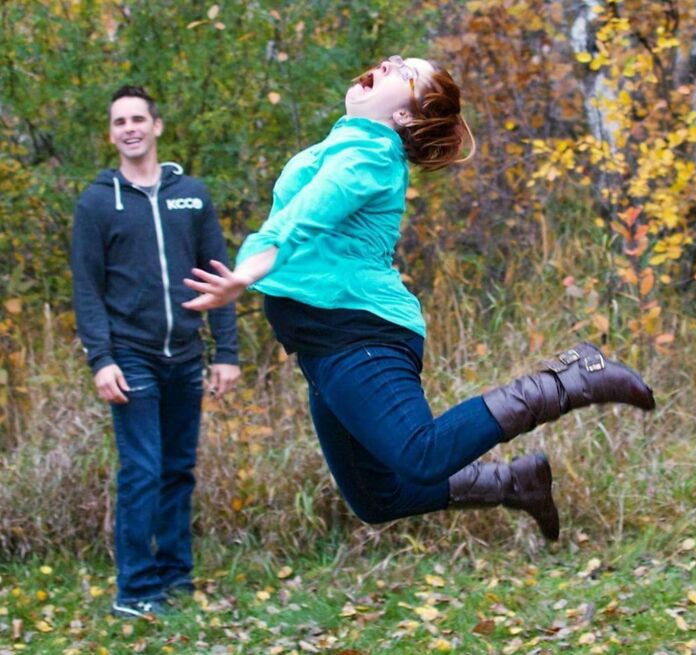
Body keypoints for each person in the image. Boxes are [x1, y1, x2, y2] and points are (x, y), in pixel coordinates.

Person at [182, 56, 654, 544]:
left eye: (405, 71)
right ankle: (515, 482)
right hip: (322, 343)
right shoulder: (344, 143)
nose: (389, 61)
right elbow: (296, 215)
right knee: (377, 497)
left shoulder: (369, 155)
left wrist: (245, 274)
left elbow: (303, 218)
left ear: (403, 115)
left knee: (420, 454)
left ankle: (570, 380)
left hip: (357, 331)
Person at [71, 85, 241, 618]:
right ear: (111, 134)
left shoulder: (192, 194)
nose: (130, 128)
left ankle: (174, 576)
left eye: (137, 119)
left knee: (177, 469)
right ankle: (136, 590)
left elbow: (219, 277)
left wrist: (226, 351)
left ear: (156, 126)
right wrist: (101, 359)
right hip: (131, 355)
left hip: (186, 355)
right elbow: (86, 288)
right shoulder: (97, 202)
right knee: (142, 470)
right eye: (119, 121)